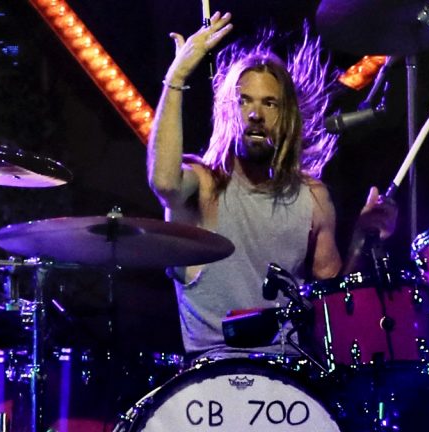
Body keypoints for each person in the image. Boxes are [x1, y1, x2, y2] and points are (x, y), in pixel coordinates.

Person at [147, 12, 397, 362]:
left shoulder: (312, 197)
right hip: (211, 372)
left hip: (288, 373)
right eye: (244, 100)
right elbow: (163, 181)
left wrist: (362, 239)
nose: (255, 114)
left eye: (269, 103)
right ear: (227, 111)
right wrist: (176, 78)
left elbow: (334, 308)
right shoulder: (202, 184)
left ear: (287, 117)